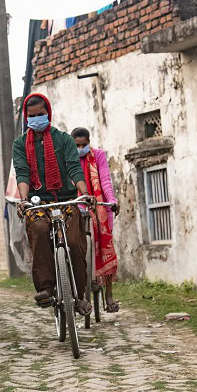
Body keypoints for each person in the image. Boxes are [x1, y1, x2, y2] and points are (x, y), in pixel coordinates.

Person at [13, 93, 94, 313]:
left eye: (41, 114)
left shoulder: (64, 139)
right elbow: (22, 173)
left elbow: (74, 168)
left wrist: (84, 193)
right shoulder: (20, 144)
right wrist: (23, 200)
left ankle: (79, 296)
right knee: (39, 230)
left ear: (48, 113)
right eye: (32, 116)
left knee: (75, 242)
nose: (37, 119)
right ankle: (46, 288)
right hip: (38, 204)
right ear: (26, 118)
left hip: (67, 201)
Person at [72, 127, 120, 312]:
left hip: (99, 206)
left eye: (84, 144)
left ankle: (108, 295)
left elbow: (105, 180)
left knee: (106, 245)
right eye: (77, 145)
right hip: (77, 205)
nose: (81, 148)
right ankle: (80, 292)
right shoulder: (68, 157)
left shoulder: (98, 156)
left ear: (89, 142)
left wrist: (111, 201)